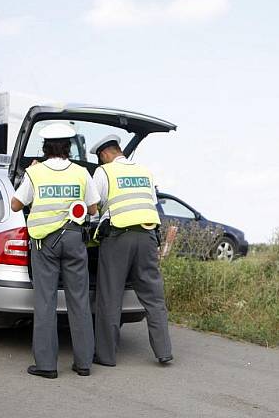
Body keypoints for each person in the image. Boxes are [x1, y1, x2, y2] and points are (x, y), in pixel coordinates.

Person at [10, 123, 98, 379]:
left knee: (46, 301)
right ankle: (83, 363)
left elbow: (16, 205)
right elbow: (93, 209)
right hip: (74, 239)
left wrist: (31, 172)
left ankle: (47, 365)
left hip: (44, 243)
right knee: (79, 299)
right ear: (69, 147)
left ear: (45, 148)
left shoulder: (35, 174)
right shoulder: (82, 173)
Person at [90, 134, 173, 366]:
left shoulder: (104, 172)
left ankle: (105, 356)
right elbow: (151, 201)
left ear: (105, 155)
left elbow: (94, 207)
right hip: (147, 237)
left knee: (110, 296)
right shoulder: (145, 171)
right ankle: (163, 351)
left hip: (118, 238)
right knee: (154, 297)